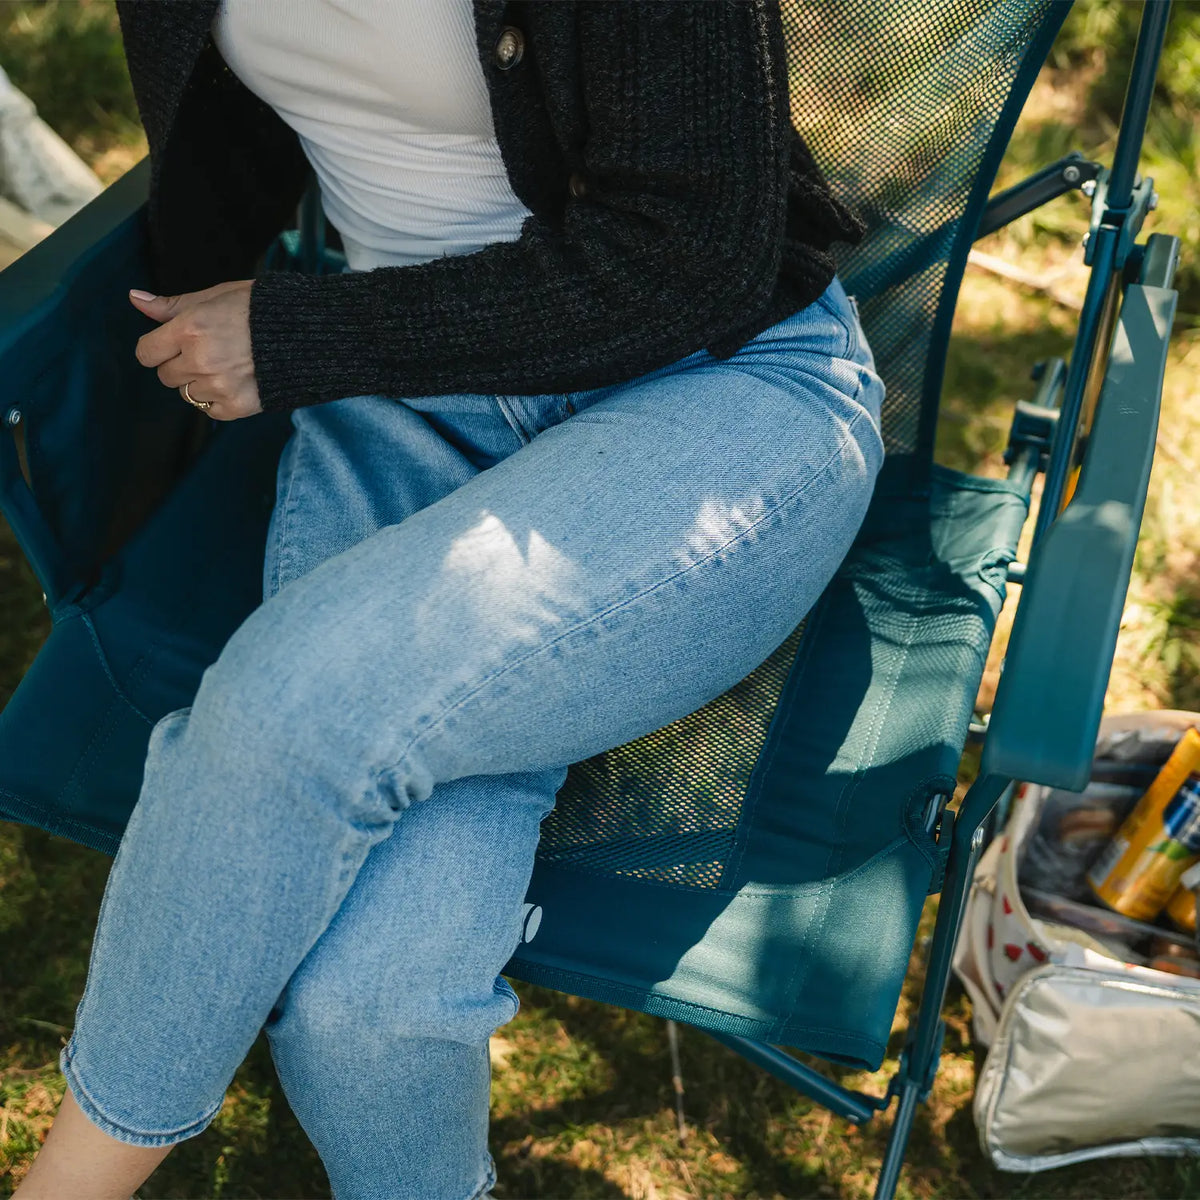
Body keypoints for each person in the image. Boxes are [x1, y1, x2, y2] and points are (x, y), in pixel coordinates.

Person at [14, 2, 884, 1198]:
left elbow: (694, 254)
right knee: (361, 1010)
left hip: (713, 395)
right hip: (399, 406)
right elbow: (224, 144)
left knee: (288, 705)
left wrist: (297, 331)